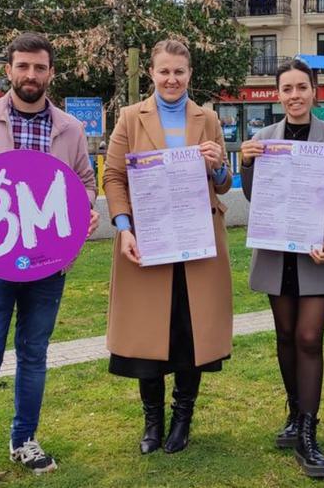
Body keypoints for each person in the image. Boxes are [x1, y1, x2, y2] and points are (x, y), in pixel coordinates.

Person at [0, 32, 100, 488]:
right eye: (23, 66)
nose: (31, 75)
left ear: (51, 72)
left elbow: (85, 181)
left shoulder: (69, 128)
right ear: (8, 70)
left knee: (34, 355)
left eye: (40, 67)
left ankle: (24, 439)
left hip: (48, 263)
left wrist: (85, 210)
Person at [103, 39, 233, 456]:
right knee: (149, 334)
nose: (172, 79)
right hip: (149, 240)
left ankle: (182, 419)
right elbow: (114, 177)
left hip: (197, 243)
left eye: (179, 71)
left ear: (189, 74)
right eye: (164, 71)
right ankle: (152, 422)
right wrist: (124, 228)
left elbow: (224, 183)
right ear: (152, 74)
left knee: (188, 333)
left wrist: (217, 168)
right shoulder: (129, 117)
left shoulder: (208, 118)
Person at [239, 59, 324, 479]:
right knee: (285, 336)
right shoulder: (263, 138)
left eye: (301, 87)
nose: (294, 95)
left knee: (309, 337)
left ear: (313, 92)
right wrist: (247, 163)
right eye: (286, 88)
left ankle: (308, 430)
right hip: (276, 253)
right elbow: (255, 197)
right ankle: (293, 412)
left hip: (316, 254)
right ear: (278, 94)